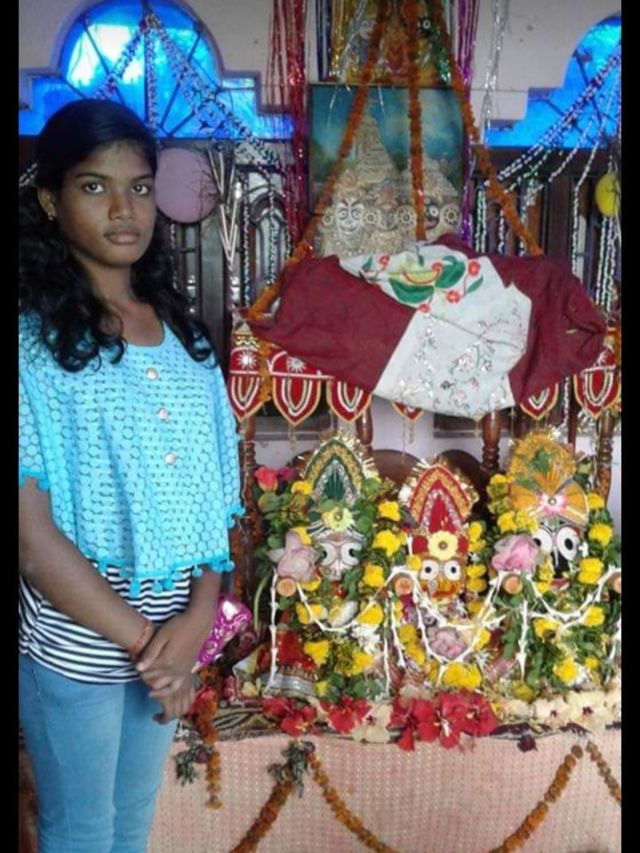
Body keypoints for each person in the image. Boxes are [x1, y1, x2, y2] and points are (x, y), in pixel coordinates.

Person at [19, 98, 242, 853]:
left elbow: (215, 509)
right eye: (95, 186)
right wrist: (155, 647)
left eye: (140, 187)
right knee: (81, 832)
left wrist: (194, 625)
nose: (124, 209)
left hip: (174, 633)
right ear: (51, 201)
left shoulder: (186, 341)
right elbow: (32, 540)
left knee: (130, 826)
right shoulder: (31, 347)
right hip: (80, 642)